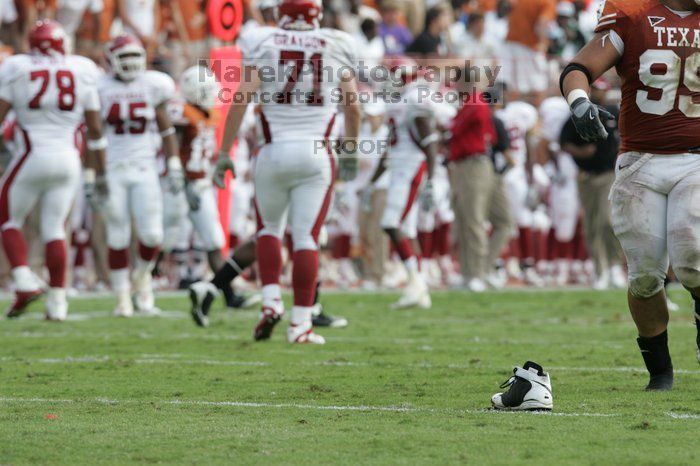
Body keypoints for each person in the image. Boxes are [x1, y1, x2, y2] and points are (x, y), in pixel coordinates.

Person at [190, 0, 360, 344]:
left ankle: (269, 303)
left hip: (273, 150)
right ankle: (300, 324)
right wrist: (351, 150)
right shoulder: (337, 43)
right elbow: (353, 105)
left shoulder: (262, 41)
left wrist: (224, 152)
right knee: (306, 238)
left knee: (268, 230)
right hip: (316, 154)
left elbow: (242, 98)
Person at [561, 0, 700, 390]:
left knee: (693, 258)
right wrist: (580, 103)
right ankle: (660, 373)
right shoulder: (634, 13)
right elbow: (578, 69)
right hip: (640, 162)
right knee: (644, 278)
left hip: (696, 160)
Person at [0, 20, 106, 320]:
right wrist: (98, 173)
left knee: (7, 218)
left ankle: (23, 281)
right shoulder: (82, 68)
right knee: (54, 228)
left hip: (33, 153)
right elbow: (95, 128)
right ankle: (58, 303)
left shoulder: (17, 67)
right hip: (69, 159)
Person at [98, 33, 182, 317]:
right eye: (124, 57)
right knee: (118, 234)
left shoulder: (154, 84)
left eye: (135, 56)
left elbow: (166, 127)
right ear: (111, 60)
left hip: (146, 167)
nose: (131, 63)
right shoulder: (99, 87)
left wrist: (174, 163)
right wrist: (92, 174)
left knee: (152, 233)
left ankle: (142, 276)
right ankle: (122, 297)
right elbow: (93, 136)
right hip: (113, 167)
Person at [559, 78, 625, 290]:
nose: (598, 93)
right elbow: (563, 141)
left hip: (608, 174)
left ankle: (614, 265)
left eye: (601, 89)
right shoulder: (579, 114)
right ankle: (600, 269)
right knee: (592, 224)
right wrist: (580, 152)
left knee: (608, 220)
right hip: (586, 175)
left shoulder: (614, 112)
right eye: (595, 89)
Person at [448, 74, 512, 291]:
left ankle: (476, 273)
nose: (454, 87)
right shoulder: (470, 103)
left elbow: (453, 131)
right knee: (466, 220)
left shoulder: (474, 102)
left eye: (457, 82)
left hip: (473, 164)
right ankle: (469, 273)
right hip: (467, 164)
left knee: (473, 220)